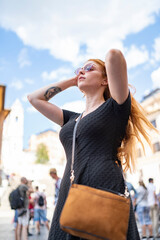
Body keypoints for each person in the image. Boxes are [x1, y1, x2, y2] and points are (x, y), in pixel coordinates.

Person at [28, 49, 157, 240]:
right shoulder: (72, 118)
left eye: (89, 68)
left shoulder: (115, 107)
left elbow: (114, 56)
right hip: (71, 188)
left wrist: (95, 69)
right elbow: (34, 98)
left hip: (102, 186)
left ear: (105, 81)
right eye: (79, 69)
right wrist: (72, 81)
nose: (81, 72)